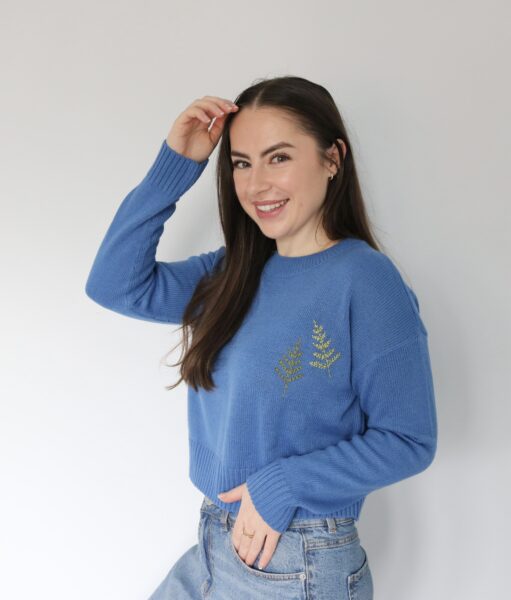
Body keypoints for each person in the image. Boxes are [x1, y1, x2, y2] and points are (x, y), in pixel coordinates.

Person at [85, 75, 438, 599]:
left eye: (279, 158)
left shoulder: (364, 280)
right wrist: (175, 166)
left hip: (296, 559)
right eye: (242, 163)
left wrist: (285, 485)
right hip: (214, 542)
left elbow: (410, 439)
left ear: (332, 158)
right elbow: (114, 285)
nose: (255, 186)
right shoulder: (233, 271)